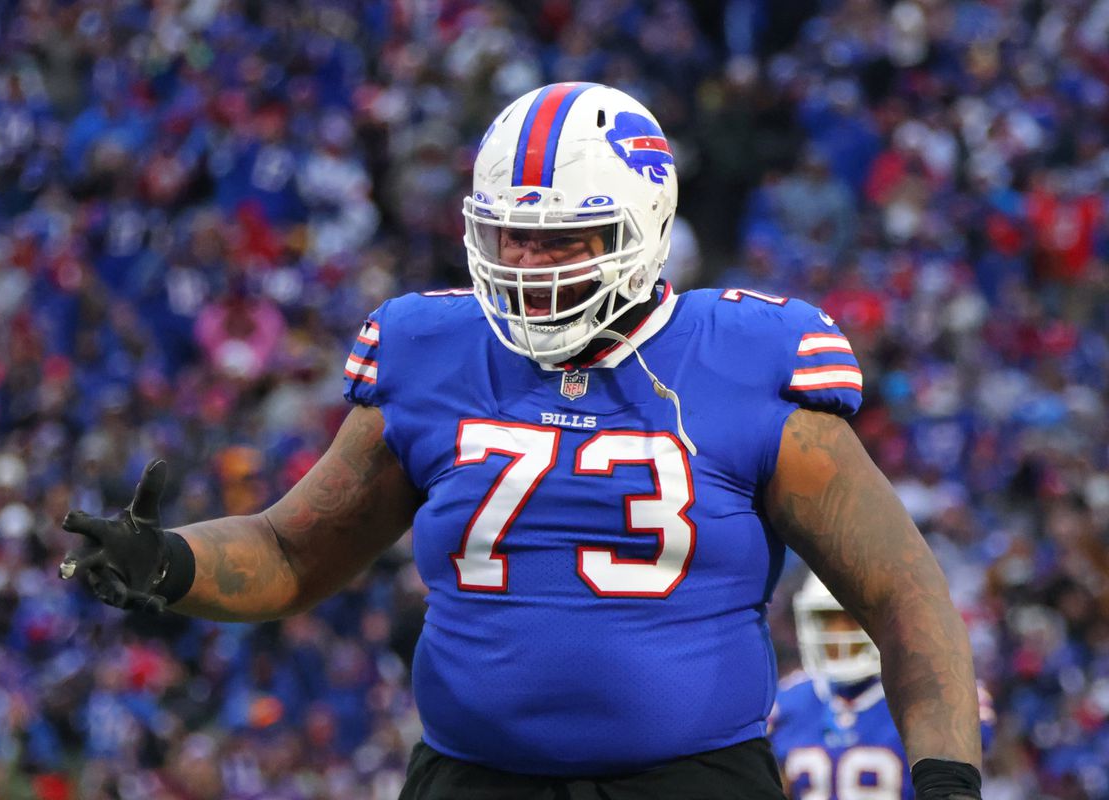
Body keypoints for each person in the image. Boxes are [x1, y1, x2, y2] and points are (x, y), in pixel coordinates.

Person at [59, 82, 984, 799]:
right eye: (509, 235)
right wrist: (167, 564)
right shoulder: (430, 352)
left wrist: (944, 780)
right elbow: (291, 550)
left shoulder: (747, 359)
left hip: (691, 782)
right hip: (471, 780)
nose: (527, 265)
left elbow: (901, 594)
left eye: (563, 240)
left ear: (643, 228)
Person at [770, 573, 995, 799]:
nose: (839, 636)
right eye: (828, 621)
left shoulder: (931, 696)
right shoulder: (787, 702)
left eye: (851, 620)